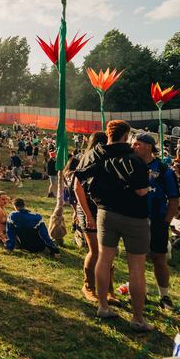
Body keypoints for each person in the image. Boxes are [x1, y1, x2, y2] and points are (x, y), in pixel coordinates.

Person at [75, 120, 153, 332]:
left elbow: (79, 178)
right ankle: (138, 319)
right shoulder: (133, 159)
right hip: (133, 216)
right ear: (126, 136)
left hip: (105, 212)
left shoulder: (94, 154)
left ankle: (103, 307)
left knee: (104, 259)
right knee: (136, 268)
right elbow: (141, 191)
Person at [133, 132, 180, 310]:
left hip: (157, 220)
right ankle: (140, 292)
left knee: (159, 258)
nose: (133, 147)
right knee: (136, 259)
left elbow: (174, 199)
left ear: (148, 146)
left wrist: (165, 223)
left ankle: (164, 295)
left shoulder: (164, 170)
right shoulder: (131, 165)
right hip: (135, 220)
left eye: (137, 144)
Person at [71, 131, 118, 305]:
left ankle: (109, 290)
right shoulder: (86, 160)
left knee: (108, 252)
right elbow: (77, 189)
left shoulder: (110, 160)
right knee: (96, 250)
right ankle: (88, 286)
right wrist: (88, 215)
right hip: (88, 208)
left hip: (104, 209)